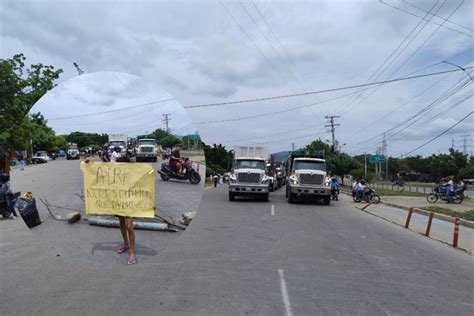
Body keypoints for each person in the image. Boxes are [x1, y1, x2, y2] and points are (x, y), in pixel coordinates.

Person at [114, 156, 137, 265]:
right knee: (122, 223)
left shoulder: (134, 174)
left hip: (130, 203)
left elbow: (145, 187)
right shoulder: (114, 174)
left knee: (129, 227)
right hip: (119, 202)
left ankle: (132, 252)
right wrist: (87, 164)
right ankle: (125, 243)